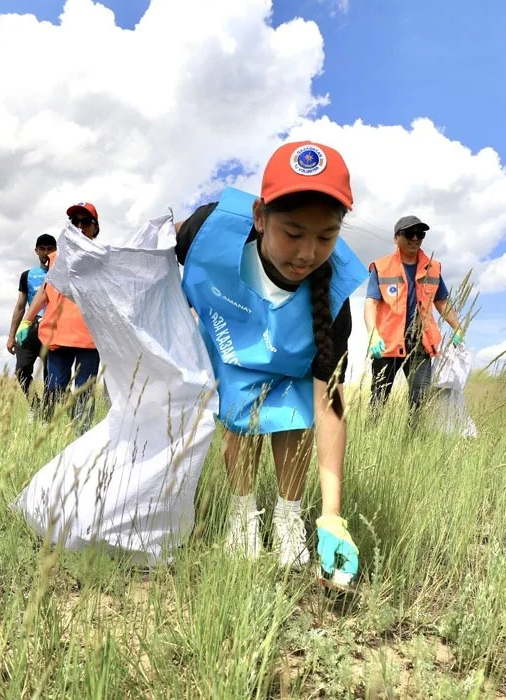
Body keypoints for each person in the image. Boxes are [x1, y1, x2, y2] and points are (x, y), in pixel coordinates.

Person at [173, 141, 364, 581]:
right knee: (241, 417)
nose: (306, 254)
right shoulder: (209, 229)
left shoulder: (333, 298)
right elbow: (156, 258)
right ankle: (243, 516)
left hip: (292, 367)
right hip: (233, 347)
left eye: (325, 237)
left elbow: (329, 407)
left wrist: (332, 517)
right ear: (260, 216)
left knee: (293, 416)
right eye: (293, 233)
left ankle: (289, 518)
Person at [364, 215, 466, 427]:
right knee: (378, 399)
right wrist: (373, 335)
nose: (415, 238)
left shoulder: (433, 267)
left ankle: (412, 445)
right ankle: (370, 441)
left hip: (421, 343)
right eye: (409, 234)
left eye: (420, 234)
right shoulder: (381, 267)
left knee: (420, 401)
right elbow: (370, 303)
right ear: (396, 238)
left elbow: (442, 302)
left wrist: (457, 327)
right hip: (388, 344)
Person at [15, 203, 102, 427]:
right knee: (53, 389)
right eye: (74, 222)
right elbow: (44, 293)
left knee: (83, 391)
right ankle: (55, 436)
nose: (79, 226)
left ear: (95, 228)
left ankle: (81, 438)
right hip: (57, 337)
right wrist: (25, 322)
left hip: (89, 339)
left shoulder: (103, 258)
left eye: (85, 222)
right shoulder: (55, 259)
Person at [8, 233, 58, 420]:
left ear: (55, 250)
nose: (46, 252)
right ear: (36, 250)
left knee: (51, 375)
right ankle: (35, 406)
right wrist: (11, 335)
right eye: (42, 248)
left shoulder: (62, 274)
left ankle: (47, 415)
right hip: (30, 327)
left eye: (50, 248)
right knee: (21, 370)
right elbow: (20, 305)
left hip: (54, 329)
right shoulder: (27, 275)